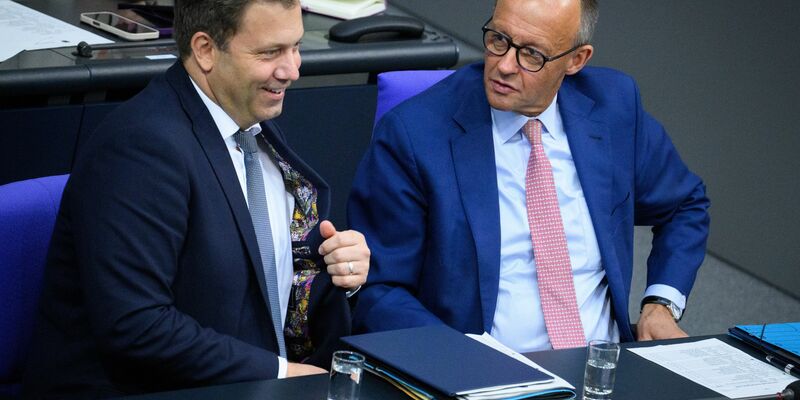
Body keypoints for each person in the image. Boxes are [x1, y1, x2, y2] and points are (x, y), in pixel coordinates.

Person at [22, 0, 370, 398]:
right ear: (205, 50)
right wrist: (281, 373)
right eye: (270, 52)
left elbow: (271, 286)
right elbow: (137, 326)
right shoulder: (141, 149)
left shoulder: (253, 129)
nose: (292, 70)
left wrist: (341, 270)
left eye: (295, 47)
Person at [348, 0, 709, 353]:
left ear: (575, 60)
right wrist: (462, 362)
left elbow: (684, 204)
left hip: (604, 368)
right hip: (483, 378)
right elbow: (380, 290)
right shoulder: (415, 134)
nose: (504, 65)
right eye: (498, 39)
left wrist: (661, 303)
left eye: (532, 54)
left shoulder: (614, 106)